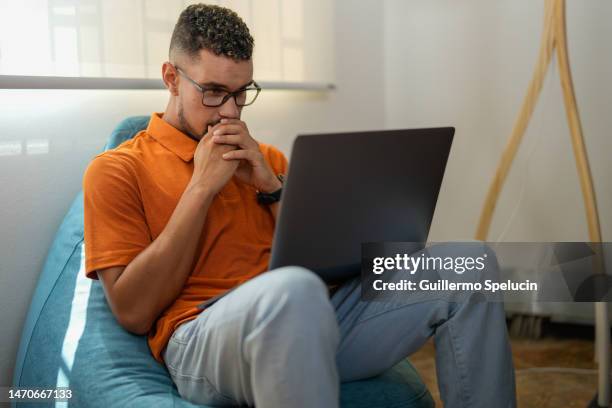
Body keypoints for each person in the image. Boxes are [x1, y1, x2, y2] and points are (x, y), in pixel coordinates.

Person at [83, 4, 516, 407]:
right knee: (293, 290)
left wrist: (273, 187)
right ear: (172, 78)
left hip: (312, 320)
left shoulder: (266, 160)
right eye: (213, 92)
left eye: (241, 93)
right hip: (200, 337)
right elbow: (134, 312)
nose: (229, 112)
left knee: (471, 264)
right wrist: (200, 189)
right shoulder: (118, 169)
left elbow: (323, 273)